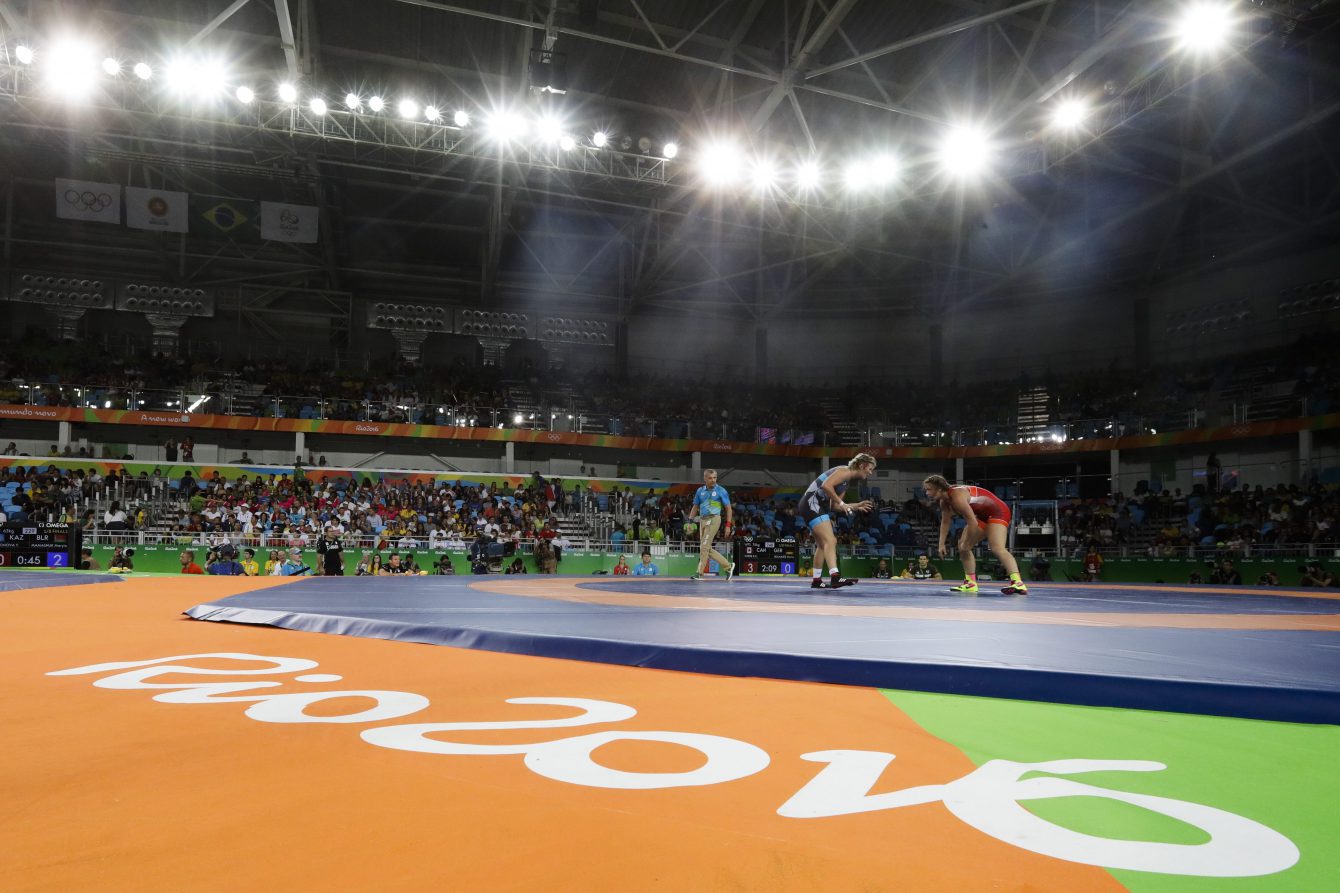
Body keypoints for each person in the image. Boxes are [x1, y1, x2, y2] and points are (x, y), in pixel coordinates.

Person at [923, 474, 1027, 595]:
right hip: (982, 515)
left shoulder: (957, 496)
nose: (926, 493)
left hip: (998, 512)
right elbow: (945, 522)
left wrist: (968, 540)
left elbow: (972, 522)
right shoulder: (944, 502)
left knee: (996, 547)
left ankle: (1018, 582)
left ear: (939, 489)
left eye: (929, 489)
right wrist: (941, 544)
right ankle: (971, 583)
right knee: (962, 547)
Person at [800, 454, 877, 589]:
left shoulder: (846, 482)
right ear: (861, 465)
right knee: (831, 541)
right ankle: (835, 577)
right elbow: (826, 486)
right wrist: (842, 503)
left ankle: (817, 580)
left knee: (823, 545)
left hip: (814, 505)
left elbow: (834, 506)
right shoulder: (844, 471)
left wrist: (856, 505)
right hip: (812, 503)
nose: (870, 473)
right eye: (870, 469)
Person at [686, 469, 735, 581]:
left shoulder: (721, 491)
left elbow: (728, 509)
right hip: (703, 520)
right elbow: (695, 507)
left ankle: (699, 573)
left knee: (704, 546)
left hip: (714, 519)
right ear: (705, 479)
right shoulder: (700, 491)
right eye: (710, 478)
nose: (713, 480)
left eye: (714, 478)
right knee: (705, 547)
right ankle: (728, 566)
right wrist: (690, 521)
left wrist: (728, 525)